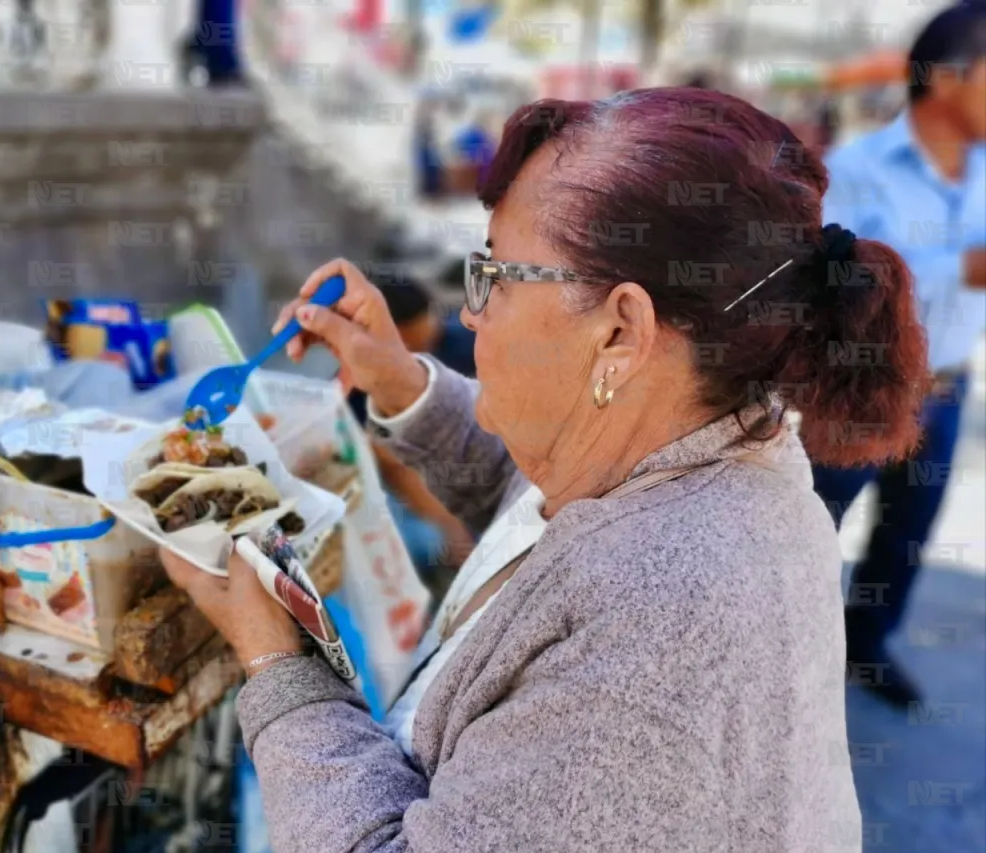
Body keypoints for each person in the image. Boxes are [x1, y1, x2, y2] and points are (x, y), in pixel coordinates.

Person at [157, 87, 930, 850]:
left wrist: (275, 662)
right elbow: (538, 500)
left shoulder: (656, 637)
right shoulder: (704, 434)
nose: (469, 312)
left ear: (622, 332)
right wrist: (397, 380)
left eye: (494, 276)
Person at [812, 2, 986, 708]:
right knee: (811, 526)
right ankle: (789, 655)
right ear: (948, 79)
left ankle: (867, 643)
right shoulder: (854, 170)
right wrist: (960, 268)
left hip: (946, 384)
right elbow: (832, 278)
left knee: (907, 535)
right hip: (865, 383)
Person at [344, 281, 478, 597]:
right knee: (424, 543)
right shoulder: (361, 385)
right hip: (412, 489)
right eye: (411, 343)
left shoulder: (465, 343)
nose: (427, 338)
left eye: (429, 326)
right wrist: (453, 530)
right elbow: (396, 468)